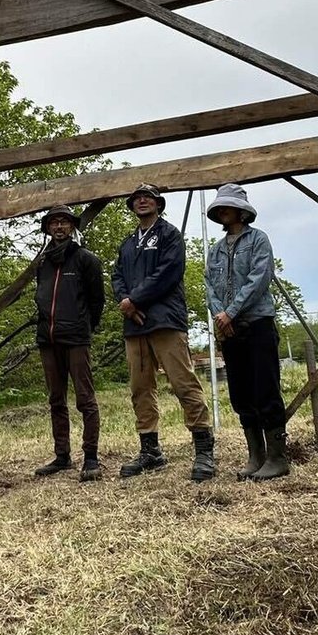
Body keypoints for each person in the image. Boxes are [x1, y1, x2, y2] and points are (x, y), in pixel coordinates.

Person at [111, 183, 215, 481]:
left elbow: (169, 272)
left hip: (165, 319)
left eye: (148, 198)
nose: (142, 201)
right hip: (134, 323)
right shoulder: (128, 242)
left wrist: (135, 299)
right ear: (132, 206)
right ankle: (150, 451)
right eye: (137, 198)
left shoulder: (170, 235)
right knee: (140, 388)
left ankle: (204, 450)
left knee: (183, 383)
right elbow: (117, 275)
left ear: (158, 204)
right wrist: (125, 302)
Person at [205, 183, 291, 481]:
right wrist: (221, 315)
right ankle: (255, 455)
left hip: (257, 325)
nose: (222, 211)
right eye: (219, 208)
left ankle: (277, 457)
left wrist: (232, 311)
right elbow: (209, 287)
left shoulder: (258, 240)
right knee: (241, 393)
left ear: (242, 211)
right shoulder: (215, 250)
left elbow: (259, 279)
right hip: (229, 330)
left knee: (265, 389)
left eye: (227, 206)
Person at [32, 204, 105, 482]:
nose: (59, 227)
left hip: (76, 338)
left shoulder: (86, 259)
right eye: (54, 223)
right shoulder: (43, 261)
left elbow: (97, 300)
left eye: (64, 222)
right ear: (48, 228)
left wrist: (85, 327)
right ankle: (62, 456)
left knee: (85, 398)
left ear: (72, 227)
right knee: (56, 399)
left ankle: (91, 457)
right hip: (48, 339)